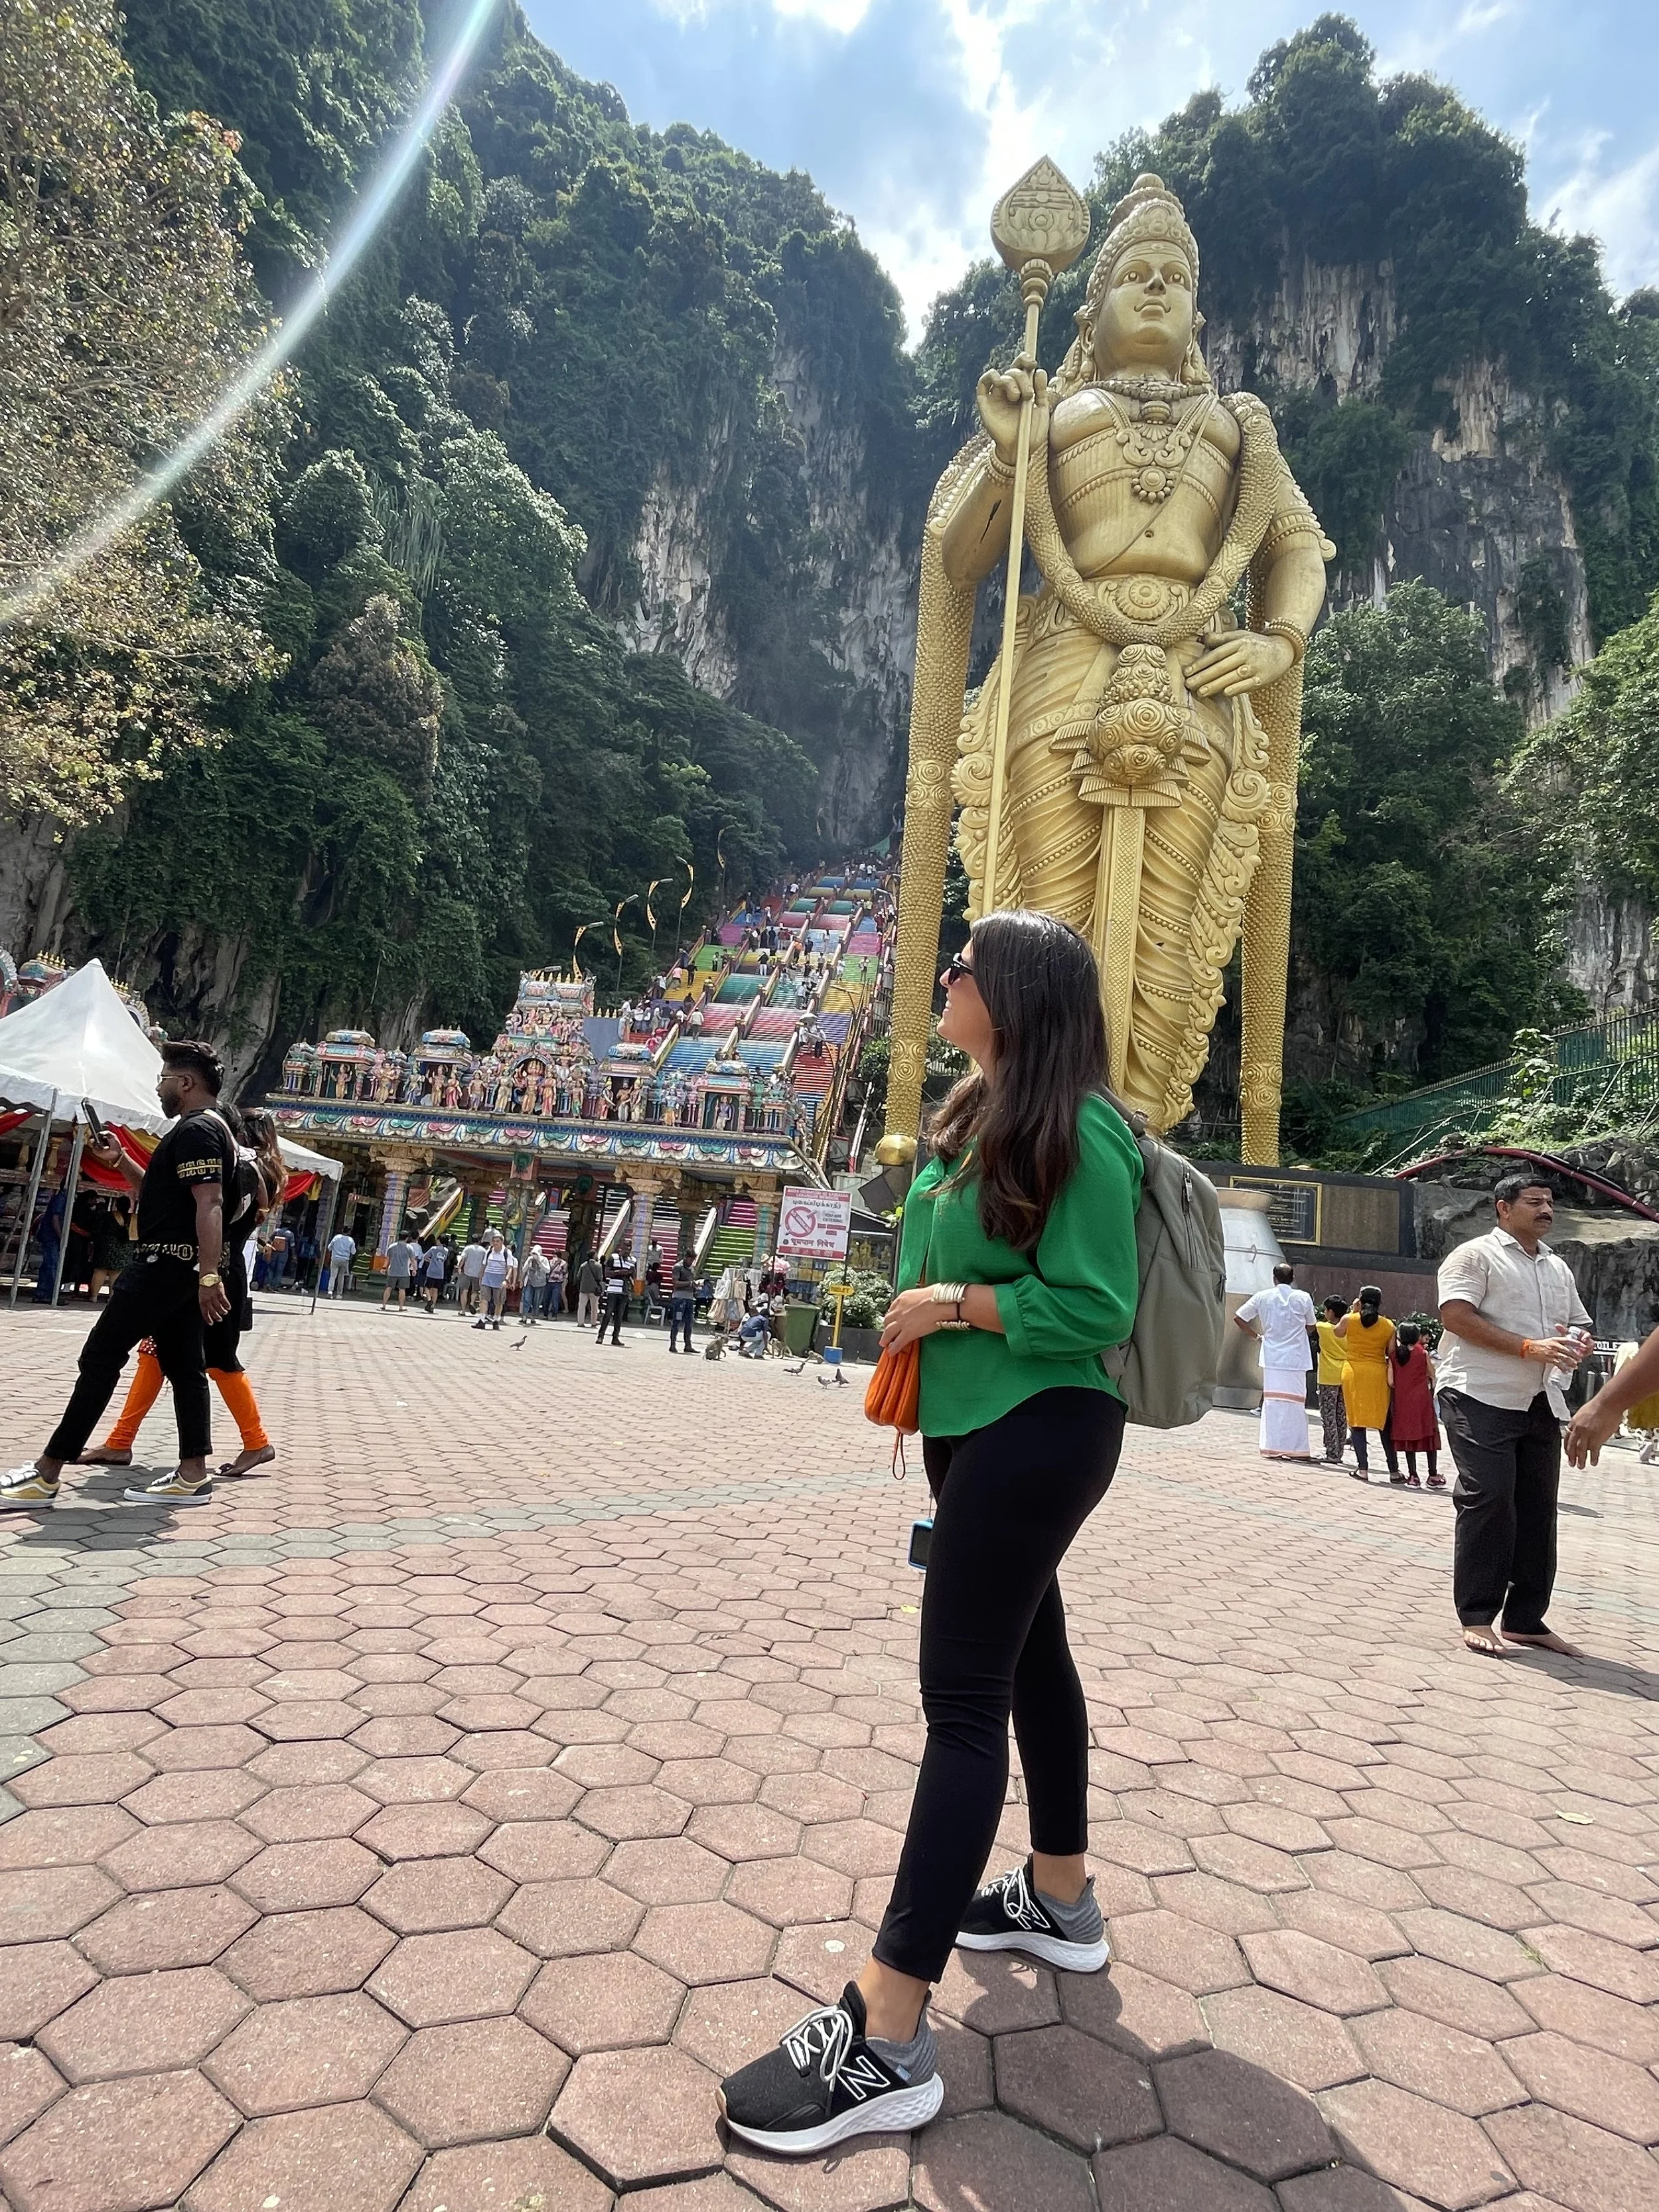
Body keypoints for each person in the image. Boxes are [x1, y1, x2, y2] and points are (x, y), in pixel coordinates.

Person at [718, 911, 1139, 2156]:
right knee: (1030, 1658)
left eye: (964, 966)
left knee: (961, 1708)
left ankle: (889, 2031)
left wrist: (948, 1299)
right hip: (985, 1427)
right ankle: (1059, 1894)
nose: (945, 977)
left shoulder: (1083, 1126)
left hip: (1038, 1427)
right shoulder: (982, 1110)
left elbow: (1096, 1300)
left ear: (1014, 994)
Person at [1, 1040, 235, 1510]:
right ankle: (193, 1474)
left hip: (164, 1266)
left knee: (101, 1356)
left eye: (164, 1078)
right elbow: (164, 1195)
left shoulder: (197, 1131)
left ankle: (48, 1472)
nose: (159, 1086)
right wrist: (122, 1161)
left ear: (185, 1083)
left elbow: (210, 1203)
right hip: (180, 1268)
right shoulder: (207, 1130)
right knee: (185, 1367)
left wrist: (210, 1275)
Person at [83, 1104, 286, 1483]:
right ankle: (123, 1440)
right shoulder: (263, 1172)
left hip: (204, 1268)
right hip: (215, 1268)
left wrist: (208, 1276)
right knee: (164, 1354)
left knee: (210, 1361)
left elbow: (197, 1204)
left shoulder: (239, 1167)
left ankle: (244, 1445)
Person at [1436, 1174, 1592, 1658]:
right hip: (1477, 1392)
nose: (1546, 1209)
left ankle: (1525, 1619)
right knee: (1490, 1496)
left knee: (1539, 1508)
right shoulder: (1475, 1255)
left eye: (1549, 1202)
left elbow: (1581, 1323)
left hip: (1541, 1398)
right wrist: (1529, 1346)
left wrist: (1579, 1342)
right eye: (1534, 1201)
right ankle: (1478, 1614)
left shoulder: (1556, 1267)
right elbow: (1456, 1317)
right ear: (1503, 1208)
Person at [1234, 1264, 1317, 1461]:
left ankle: (1272, 1447)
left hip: (1272, 1356)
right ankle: (1297, 1448)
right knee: (1295, 1403)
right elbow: (1312, 1326)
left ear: (1274, 1278)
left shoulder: (1263, 1296)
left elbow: (1239, 1317)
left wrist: (1257, 1336)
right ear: (1293, 1278)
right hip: (1296, 1358)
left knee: (1273, 1403)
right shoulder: (1303, 1297)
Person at [1566, 1323, 1659, 1467]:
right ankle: (1649, 1447)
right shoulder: (1630, 1352)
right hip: (1643, 1396)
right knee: (1648, 1427)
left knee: (1638, 1426)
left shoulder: (1629, 1353)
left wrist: (1606, 1404)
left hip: (1638, 1396)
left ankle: (1646, 1446)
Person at [1336, 1288, 1396, 1480]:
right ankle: (1394, 1471)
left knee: (1356, 1421)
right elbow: (1391, 1351)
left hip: (1353, 1372)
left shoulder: (1350, 1320)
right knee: (1384, 1422)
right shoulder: (1389, 1326)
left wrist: (1353, 1312)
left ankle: (1363, 1469)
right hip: (1378, 1374)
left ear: (1360, 1301)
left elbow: (1337, 1332)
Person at [1389, 1322, 1442, 1487]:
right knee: (1428, 1434)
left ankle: (1413, 1476)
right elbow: (1432, 1374)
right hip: (1422, 1400)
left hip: (1402, 1401)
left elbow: (1391, 1382)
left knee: (1408, 1436)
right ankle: (1433, 1475)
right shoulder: (1423, 1353)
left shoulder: (1394, 1356)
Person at [1315, 1296, 1349, 1465]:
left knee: (1328, 1416)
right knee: (1341, 1416)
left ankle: (1331, 1452)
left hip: (1328, 1376)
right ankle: (1339, 1451)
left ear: (1331, 1312)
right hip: (1345, 1375)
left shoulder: (1322, 1327)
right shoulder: (1350, 1329)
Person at [476, 1231, 512, 1331]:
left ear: (502, 1242)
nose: (495, 1243)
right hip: (487, 1278)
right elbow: (484, 1265)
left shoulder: (506, 1253)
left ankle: (496, 1320)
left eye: (497, 1241)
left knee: (499, 1302)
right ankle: (482, 1320)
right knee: (484, 1299)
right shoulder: (489, 1251)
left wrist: (506, 1280)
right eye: (494, 1241)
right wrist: (481, 1277)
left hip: (500, 1280)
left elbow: (510, 1268)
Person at [598, 1252, 630, 1346]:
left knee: (619, 1316)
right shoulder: (613, 1258)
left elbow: (634, 1276)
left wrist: (631, 1272)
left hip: (624, 1292)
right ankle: (601, 1336)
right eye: (625, 1246)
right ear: (621, 1247)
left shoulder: (632, 1260)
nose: (627, 1249)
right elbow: (607, 1273)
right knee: (608, 1314)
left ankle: (616, 1337)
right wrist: (620, 1272)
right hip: (613, 1290)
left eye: (629, 1247)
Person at [668, 1256, 697, 1353]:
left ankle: (688, 1345)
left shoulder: (692, 1268)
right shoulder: (678, 1267)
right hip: (679, 1298)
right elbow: (675, 1283)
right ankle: (673, 1344)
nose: (691, 1262)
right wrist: (689, 1283)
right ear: (685, 1258)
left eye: (693, 1260)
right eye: (690, 1260)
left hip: (689, 1297)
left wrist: (695, 1285)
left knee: (689, 1323)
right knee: (677, 1321)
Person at [381, 1234, 416, 1311]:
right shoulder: (409, 1248)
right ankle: (401, 1307)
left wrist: (384, 1268)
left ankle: (384, 1305)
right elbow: (413, 1260)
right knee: (402, 1290)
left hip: (392, 1271)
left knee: (389, 1288)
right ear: (407, 1238)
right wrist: (414, 1269)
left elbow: (388, 1259)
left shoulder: (392, 1247)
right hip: (404, 1272)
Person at [456, 1233, 487, 1316]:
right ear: (480, 1241)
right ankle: (472, 1302)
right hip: (478, 1273)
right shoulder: (483, 1251)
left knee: (464, 1291)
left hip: (467, 1272)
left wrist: (459, 1268)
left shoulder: (467, 1248)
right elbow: (485, 1262)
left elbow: (463, 1259)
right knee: (476, 1290)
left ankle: (463, 1310)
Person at [520, 1244, 549, 1325]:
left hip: (540, 1284)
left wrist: (540, 1262)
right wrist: (528, 1263)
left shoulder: (544, 1259)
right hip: (530, 1282)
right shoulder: (530, 1259)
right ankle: (524, 1317)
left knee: (537, 1301)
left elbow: (548, 1270)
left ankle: (533, 1317)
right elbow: (524, 1270)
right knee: (527, 1299)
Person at [325, 1225, 356, 1298]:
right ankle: (339, 1294)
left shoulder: (336, 1238)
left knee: (333, 1276)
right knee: (341, 1277)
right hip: (344, 1260)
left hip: (335, 1259)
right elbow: (353, 1252)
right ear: (349, 1232)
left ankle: (330, 1291)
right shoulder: (351, 1240)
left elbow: (329, 1248)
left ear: (342, 1231)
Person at [575, 1252, 603, 1329]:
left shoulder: (583, 1265)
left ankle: (580, 1322)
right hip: (594, 1289)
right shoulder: (598, 1266)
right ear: (594, 1256)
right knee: (594, 1307)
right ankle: (593, 1322)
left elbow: (578, 1276)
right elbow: (600, 1278)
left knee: (581, 1306)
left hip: (583, 1288)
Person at [419, 1239, 447, 1311]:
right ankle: (433, 1306)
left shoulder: (433, 1249)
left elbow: (425, 1257)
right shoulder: (446, 1250)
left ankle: (429, 1300)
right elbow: (444, 1260)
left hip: (432, 1270)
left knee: (427, 1287)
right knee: (436, 1290)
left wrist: (431, 1261)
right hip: (440, 1272)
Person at [547, 1252, 567, 1319]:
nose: (554, 1257)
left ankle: (554, 1315)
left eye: (555, 1256)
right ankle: (545, 1314)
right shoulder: (550, 1262)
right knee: (547, 1299)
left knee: (555, 1299)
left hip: (557, 1283)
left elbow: (565, 1274)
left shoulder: (563, 1264)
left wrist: (564, 1284)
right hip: (549, 1282)